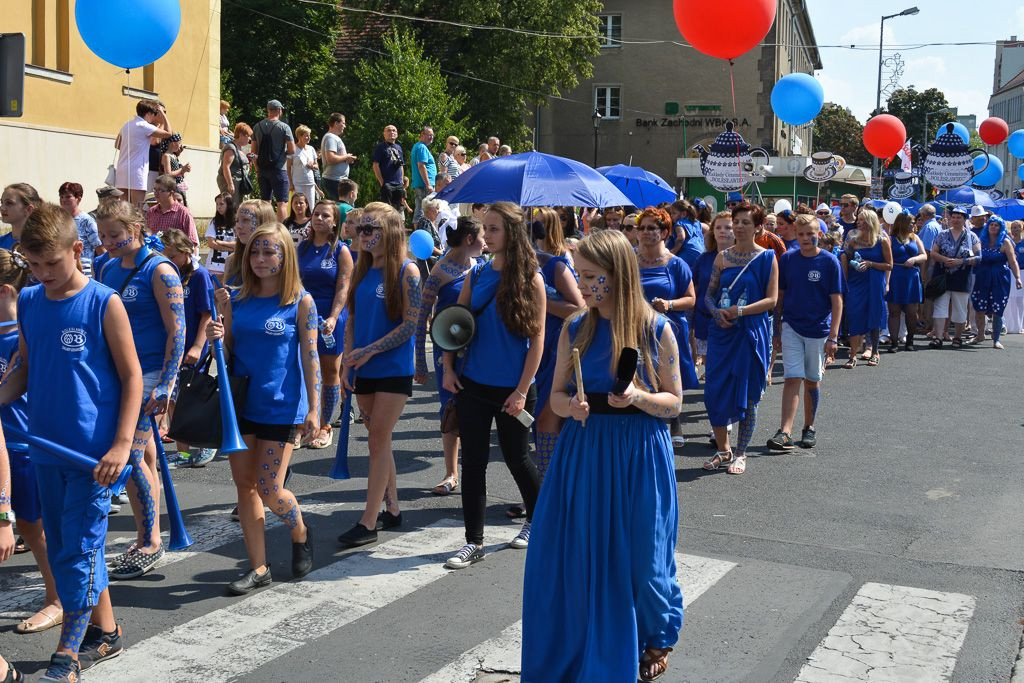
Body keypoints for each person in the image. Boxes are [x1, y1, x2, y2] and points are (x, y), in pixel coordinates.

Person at [521, 230, 684, 683]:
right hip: (585, 451)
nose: (583, 284)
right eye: (580, 274)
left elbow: (675, 402)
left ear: (619, 275)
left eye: (592, 276)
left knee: (645, 559)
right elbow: (552, 396)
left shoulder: (656, 328)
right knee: (583, 556)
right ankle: (591, 646)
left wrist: (636, 396)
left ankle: (657, 634)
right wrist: (567, 407)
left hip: (639, 456)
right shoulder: (576, 327)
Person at [2, 203, 142, 681]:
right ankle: (107, 632)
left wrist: (122, 445)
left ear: (78, 250)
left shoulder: (105, 302)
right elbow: (24, 366)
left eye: (51, 264)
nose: (43, 274)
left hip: (93, 458)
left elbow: (132, 376)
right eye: (33, 265)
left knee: (77, 552)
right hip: (44, 448)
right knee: (66, 548)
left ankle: (68, 654)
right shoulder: (30, 301)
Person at [206, 223, 318, 594]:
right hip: (240, 406)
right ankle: (258, 567)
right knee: (245, 487)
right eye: (254, 252)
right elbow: (229, 353)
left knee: (271, 490)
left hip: (281, 408)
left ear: (285, 256)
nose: (260, 259)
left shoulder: (301, 301)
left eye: (269, 252)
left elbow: (310, 356)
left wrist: (314, 410)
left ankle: (300, 531)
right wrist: (217, 336)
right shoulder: (235, 299)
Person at [441, 202, 544, 568]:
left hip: (514, 390)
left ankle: (536, 520)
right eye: (485, 228)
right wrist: (449, 368)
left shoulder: (531, 278)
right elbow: (456, 325)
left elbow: (538, 342)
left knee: (518, 459)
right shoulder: (477, 271)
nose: (486, 235)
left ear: (513, 233)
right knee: (473, 464)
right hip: (473, 384)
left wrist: (520, 391)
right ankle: (474, 542)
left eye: (494, 228)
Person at [96, 201, 185, 580]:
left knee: (130, 456)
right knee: (143, 458)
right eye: (102, 236)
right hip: (116, 372)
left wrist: (166, 383)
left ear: (136, 227)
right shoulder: (106, 267)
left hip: (149, 374)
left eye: (115, 235)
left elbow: (176, 331)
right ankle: (146, 533)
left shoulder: (160, 270)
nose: (109, 243)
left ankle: (150, 541)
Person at [337, 203, 420, 548]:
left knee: (375, 440)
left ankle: (368, 521)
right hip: (364, 367)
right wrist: (347, 361)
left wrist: (372, 350)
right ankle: (393, 508)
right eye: (361, 229)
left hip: (393, 369)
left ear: (391, 233)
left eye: (371, 230)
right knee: (379, 440)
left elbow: (411, 324)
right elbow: (354, 318)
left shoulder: (408, 271)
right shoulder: (362, 269)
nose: (363, 236)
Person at [0, 249, 63, 638]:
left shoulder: (21, 334)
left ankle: (57, 598)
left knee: (33, 526)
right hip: (8, 446)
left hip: (19, 446)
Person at [701, 202, 779, 475]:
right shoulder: (722, 257)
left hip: (750, 333)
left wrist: (741, 310)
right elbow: (708, 295)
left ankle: (741, 452)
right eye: (737, 221)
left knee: (747, 396)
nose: (739, 226)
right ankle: (723, 450)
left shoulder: (767, 257)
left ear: (758, 227)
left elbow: (771, 300)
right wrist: (716, 313)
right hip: (723, 333)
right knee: (713, 393)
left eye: (746, 222)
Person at [414, 216, 485, 495]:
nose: (485, 241)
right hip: (448, 351)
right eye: (481, 235)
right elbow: (422, 318)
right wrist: (420, 361)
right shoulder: (439, 272)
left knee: (476, 411)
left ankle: (474, 473)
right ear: (469, 239)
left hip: (477, 348)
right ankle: (450, 473)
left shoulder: (481, 266)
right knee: (450, 410)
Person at [767, 214, 842, 451]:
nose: (806, 238)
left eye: (811, 233)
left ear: (819, 234)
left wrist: (833, 336)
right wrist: (777, 331)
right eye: (801, 234)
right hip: (792, 326)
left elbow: (837, 301)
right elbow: (780, 298)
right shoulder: (788, 259)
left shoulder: (830, 262)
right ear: (795, 235)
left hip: (818, 330)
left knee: (812, 381)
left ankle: (809, 427)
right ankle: (785, 431)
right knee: (792, 378)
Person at [636, 208, 699, 447]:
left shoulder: (676, 264)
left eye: (651, 228)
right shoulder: (629, 260)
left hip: (668, 330)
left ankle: (675, 420)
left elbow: (691, 299)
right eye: (641, 228)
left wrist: (669, 304)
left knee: (669, 376)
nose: (644, 233)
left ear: (664, 232)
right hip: (636, 328)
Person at [531, 207, 585, 480]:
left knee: (546, 419)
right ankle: (548, 483)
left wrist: (542, 302)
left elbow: (579, 307)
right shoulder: (518, 265)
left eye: (539, 224)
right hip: (529, 349)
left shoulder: (557, 264)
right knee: (533, 423)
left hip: (556, 347)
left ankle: (545, 487)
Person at [297, 200, 353, 447]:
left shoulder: (341, 251)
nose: (318, 218)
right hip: (303, 316)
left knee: (330, 372)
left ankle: (325, 424)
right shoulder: (301, 248)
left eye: (325, 215)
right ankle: (301, 423)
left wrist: (333, 317)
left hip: (330, 317)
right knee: (301, 370)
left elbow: (343, 286)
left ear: (334, 222)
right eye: (316, 214)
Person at [159, 230, 217, 467]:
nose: (168, 259)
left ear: (185, 253)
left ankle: (204, 446)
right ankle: (183, 452)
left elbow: (206, 314)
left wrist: (197, 346)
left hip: (193, 348)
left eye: (172, 255)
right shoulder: (167, 274)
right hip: (173, 348)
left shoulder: (199, 276)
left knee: (193, 400)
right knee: (173, 400)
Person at [841, 210, 892, 367]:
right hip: (856, 283)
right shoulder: (853, 241)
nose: (858, 222)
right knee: (855, 316)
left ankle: (875, 352)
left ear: (870, 222)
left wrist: (871, 264)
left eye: (862, 220)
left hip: (875, 282)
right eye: (859, 219)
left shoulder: (882, 241)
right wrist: (844, 282)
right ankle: (853, 355)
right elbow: (845, 259)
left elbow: (889, 265)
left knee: (874, 316)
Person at [929, 206, 982, 349]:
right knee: (940, 306)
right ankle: (938, 337)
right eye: (953, 217)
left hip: (962, 277)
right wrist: (945, 259)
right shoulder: (942, 234)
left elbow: (979, 257)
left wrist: (961, 262)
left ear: (965, 219)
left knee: (960, 309)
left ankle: (957, 337)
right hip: (943, 275)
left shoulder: (972, 237)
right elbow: (933, 253)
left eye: (959, 217)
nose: (956, 219)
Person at [970, 215, 1023, 349]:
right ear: (988, 226)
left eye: (997, 225)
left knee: (997, 308)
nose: (993, 227)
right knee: (979, 307)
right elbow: (973, 257)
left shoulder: (1005, 242)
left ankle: (996, 339)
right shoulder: (981, 240)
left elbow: (1013, 261)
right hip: (982, 277)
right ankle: (980, 335)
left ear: (1001, 228)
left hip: (1000, 278)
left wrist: (1017, 278)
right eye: (991, 224)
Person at [694, 211, 734, 370]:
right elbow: (695, 289)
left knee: (729, 367)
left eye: (728, 227)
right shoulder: (703, 259)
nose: (722, 231)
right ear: (713, 232)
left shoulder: (744, 258)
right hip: (705, 320)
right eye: (718, 227)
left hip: (732, 321)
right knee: (711, 368)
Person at [114, 99, 172, 206]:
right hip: (137, 171)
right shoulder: (144, 125)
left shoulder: (127, 124)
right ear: (148, 113)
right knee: (138, 207)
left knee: (124, 207)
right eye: (154, 113)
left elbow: (117, 145)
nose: (155, 116)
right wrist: (163, 114)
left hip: (122, 170)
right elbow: (168, 133)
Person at [885, 213, 926, 352]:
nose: (913, 225)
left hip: (912, 278)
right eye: (910, 222)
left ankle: (910, 341)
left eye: (914, 222)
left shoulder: (915, 237)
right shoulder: (890, 239)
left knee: (911, 312)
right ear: (902, 223)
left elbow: (924, 255)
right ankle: (894, 342)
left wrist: (914, 260)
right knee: (894, 311)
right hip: (896, 276)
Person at [251, 99, 296, 222]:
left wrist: (257, 168)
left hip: (262, 170)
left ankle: (265, 228)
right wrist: (283, 154)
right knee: (282, 203)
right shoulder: (284, 127)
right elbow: (292, 150)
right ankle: (281, 231)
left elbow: (253, 152)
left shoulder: (257, 127)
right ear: (279, 110)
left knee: (265, 203)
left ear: (268, 110)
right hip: (279, 169)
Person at [223, 199, 276, 288]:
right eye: (237, 220)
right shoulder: (231, 261)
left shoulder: (275, 261)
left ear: (263, 223)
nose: (238, 226)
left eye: (246, 220)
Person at [57, 183, 104, 278]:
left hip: (84, 273)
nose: (63, 200)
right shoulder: (58, 220)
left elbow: (101, 250)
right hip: (63, 270)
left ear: (78, 198)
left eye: (68, 196)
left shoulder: (87, 221)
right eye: (61, 197)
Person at [146, 174, 199, 245]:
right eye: (155, 189)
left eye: (160, 190)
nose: (156, 193)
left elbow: (192, 241)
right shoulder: (151, 211)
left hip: (175, 254)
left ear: (171, 193)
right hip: (155, 254)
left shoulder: (183, 213)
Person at [320, 113, 356, 200]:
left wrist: (347, 159)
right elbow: (330, 159)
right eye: (343, 123)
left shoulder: (333, 137)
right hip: (334, 181)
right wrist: (346, 157)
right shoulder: (331, 137)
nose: (345, 126)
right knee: (341, 209)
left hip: (336, 180)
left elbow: (335, 158)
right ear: (336, 123)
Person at [218, 122, 253, 208]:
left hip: (239, 182)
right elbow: (226, 167)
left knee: (238, 207)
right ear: (241, 135)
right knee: (231, 206)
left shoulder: (239, 147)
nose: (249, 139)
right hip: (232, 182)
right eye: (247, 136)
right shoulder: (231, 148)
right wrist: (230, 184)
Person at [372, 124, 405, 213]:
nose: (392, 132)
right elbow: (375, 165)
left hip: (398, 184)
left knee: (398, 210)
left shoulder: (399, 147)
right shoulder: (380, 147)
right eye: (389, 130)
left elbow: (401, 165)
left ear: (397, 134)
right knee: (386, 210)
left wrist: (402, 181)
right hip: (387, 183)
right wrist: (382, 182)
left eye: (394, 130)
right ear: (384, 134)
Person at [0, 184, 42, 250]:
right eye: (1, 202)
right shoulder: (1, 241)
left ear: (29, 209)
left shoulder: (42, 244)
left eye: (9, 203)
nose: (2, 208)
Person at [667, 200, 705, 270]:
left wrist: (673, 251)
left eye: (674, 213)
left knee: (674, 267)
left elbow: (681, 238)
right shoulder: (696, 222)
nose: (671, 216)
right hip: (701, 252)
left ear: (683, 214)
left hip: (689, 252)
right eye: (671, 213)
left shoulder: (679, 223)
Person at [205, 192, 236, 278]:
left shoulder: (237, 222)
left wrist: (221, 243)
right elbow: (211, 243)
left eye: (221, 204)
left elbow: (239, 244)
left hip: (232, 267)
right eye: (217, 204)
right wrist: (230, 248)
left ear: (229, 205)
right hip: (214, 265)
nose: (218, 207)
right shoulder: (214, 222)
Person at [410, 126, 437, 224]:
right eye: (429, 135)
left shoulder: (419, 146)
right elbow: (421, 166)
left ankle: (422, 233)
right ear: (422, 135)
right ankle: (420, 234)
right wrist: (428, 184)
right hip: (424, 185)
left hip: (422, 184)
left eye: (432, 135)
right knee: (423, 210)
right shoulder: (421, 147)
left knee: (422, 209)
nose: (431, 137)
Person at [287, 124, 319, 204]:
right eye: (307, 136)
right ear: (299, 136)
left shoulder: (311, 149)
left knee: (311, 206)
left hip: (310, 183)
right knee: (298, 206)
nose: (309, 138)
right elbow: (288, 167)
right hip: (297, 184)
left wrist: (312, 166)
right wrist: (290, 183)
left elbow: (317, 166)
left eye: (309, 135)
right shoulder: (293, 149)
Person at [160, 133, 191, 204]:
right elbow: (168, 174)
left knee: (183, 203)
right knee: (176, 203)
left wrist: (185, 170)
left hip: (179, 185)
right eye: (179, 143)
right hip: (173, 186)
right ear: (173, 143)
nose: (180, 146)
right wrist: (182, 169)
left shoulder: (173, 155)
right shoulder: (166, 156)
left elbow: (178, 171)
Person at [1005, 220, 1024, 334]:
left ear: (1022, 229)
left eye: (1017, 227)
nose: (1014, 230)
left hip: (1022, 272)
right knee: (1010, 299)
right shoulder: (1008, 242)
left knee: (1020, 300)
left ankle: (1020, 325)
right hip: (1010, 272)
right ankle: (1011, 325)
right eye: (1013, 228)